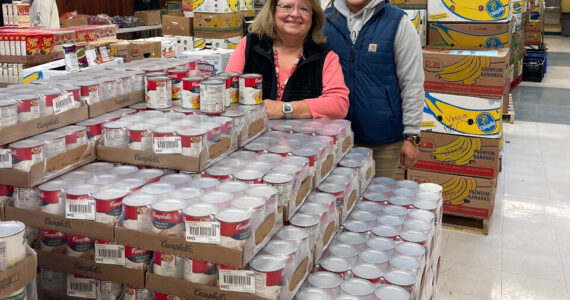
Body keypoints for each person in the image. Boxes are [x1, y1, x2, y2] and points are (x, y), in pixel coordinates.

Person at [324, 0, 424, 177]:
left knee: (377, 201)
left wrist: (411, 136)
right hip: (335, 138)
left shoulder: (397, 22)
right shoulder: (325, 21)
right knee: (337, 200)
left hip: (383, 142)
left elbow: (412, 82)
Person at [225, 0, 349, 120]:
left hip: (304, 139)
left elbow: (339, 104)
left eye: (303, 8)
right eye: (286, 6)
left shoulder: (324, 55)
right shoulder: (249, 45)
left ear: (313, 17)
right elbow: (227, 93)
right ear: (272, 10)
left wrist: (285, 109)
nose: (295, 14)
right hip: (252, 136)